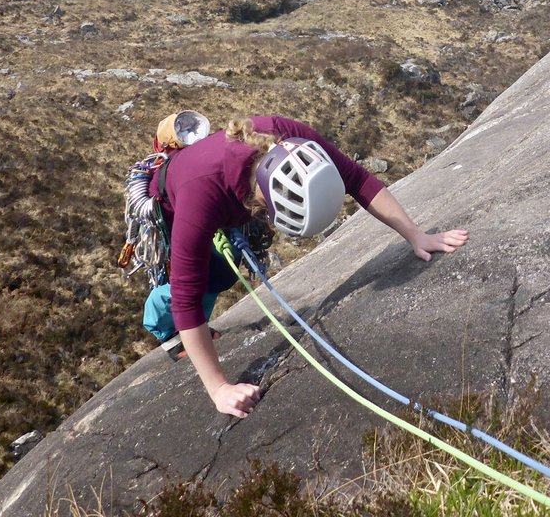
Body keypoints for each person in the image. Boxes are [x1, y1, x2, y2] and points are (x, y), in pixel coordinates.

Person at [151, 112, 469, 419]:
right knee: (205, 274)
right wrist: (219, 388)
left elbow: (357, 179)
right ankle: (163, 326)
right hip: (172, 197)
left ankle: (195, 322)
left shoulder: (291, 137)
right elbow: (185, 296)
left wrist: (415, 234)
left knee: (225, 268)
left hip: (229, 194)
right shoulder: (200, 197)